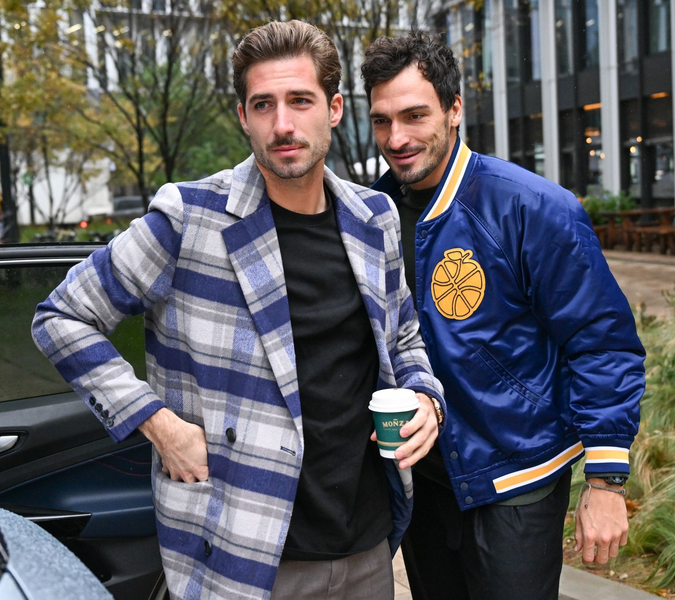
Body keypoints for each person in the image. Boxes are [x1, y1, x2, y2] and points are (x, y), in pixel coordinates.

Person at [32, 21, 444, 600]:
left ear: (333, 109)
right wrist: (159, 424)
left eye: (300, 101)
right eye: (263, 104)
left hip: (368, 549)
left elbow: (403, 342)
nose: (282, 124)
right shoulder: (188, 218)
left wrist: (427, 397)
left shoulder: (373, 218)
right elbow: (61, 316)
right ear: (242, 115)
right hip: (243, 555)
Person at [361, 33, 646, 600]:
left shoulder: (532, 207)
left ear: (455, 109)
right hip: (421, 481)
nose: (397, 138)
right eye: (382, 120)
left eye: (415, 115)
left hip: (517, 477)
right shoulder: (371, 215)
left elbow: (603, 343)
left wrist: (608, 481)